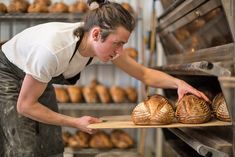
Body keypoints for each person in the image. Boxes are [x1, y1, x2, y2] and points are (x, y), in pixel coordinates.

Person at [0, 0, 209, 156]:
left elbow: (143, 73)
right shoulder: (53, 51)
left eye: (124, 44)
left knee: (52, 143)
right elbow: (26, 106)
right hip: (8, 71)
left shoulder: (105, 46)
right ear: (96, 34)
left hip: (35, 74)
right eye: (118, 43)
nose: (120, 50)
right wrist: (75, 122)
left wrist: (178, 83)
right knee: (22, 146)